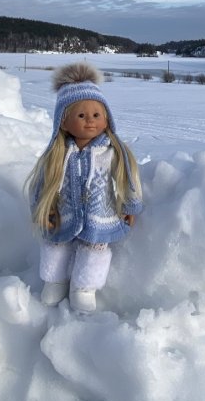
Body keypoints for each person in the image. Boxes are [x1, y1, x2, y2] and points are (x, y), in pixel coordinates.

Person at [27, 62, 142, 312]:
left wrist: (131, 205)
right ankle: (54, 281)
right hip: (65, 212)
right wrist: (43, 208)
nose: (90, 120)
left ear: (107, 119)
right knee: (56, 244)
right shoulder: (58, 154)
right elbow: (42, 183)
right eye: (81, 115)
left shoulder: (111, 152)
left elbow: (127, 178)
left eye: (97, 115)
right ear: (64, 122)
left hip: (99, 214)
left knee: (95, 248)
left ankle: (84, 287)